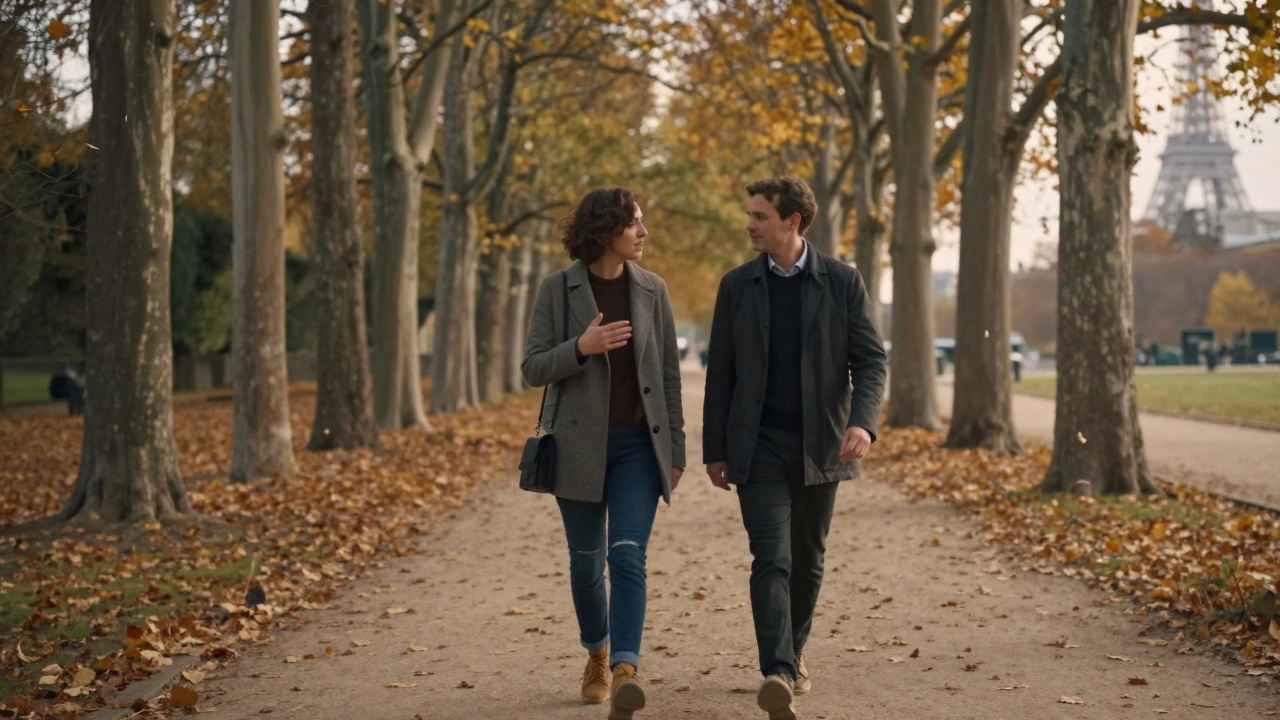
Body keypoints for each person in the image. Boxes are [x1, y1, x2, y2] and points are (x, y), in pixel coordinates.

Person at [703, 177, 887, 720]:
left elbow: (870, 361)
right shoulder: (736, 285)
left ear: (792, 221)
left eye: (759, 215)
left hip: (820, 444)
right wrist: (716, 449)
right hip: (757, 445)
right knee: (772, 557)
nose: (750, 224)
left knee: (808, 559)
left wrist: (863, 424)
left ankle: (794, 650)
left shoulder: (843, 281)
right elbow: (721, 374)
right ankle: (778, 671)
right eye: (750, 214)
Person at [521, 187, 685, 720]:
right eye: (634, 223)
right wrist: (580, 348)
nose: (643, 232)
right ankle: (596, 652)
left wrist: (676, 450)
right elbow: (532, 368)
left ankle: (625, 669)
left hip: (639, 447)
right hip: (577, 448)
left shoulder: (653, 289)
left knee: (628, 555)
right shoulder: (557, 289)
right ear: (607, 229)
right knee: (587, 562)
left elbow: (668, 376)